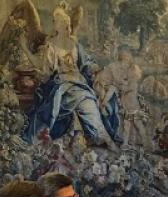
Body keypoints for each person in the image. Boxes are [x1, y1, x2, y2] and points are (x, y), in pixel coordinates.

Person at [22, 5, 120, 151]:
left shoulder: (74, 44)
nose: (55, 23)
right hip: (62, 87)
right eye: (56, 21)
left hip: (79, 84)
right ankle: (106, 139)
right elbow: (47, 71)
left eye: (57, 21)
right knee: (84, 102)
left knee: (89, 103)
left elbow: (86, 63)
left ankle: (104, 138)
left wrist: (94, 69)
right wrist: (26, 51)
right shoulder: (51, 45)